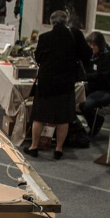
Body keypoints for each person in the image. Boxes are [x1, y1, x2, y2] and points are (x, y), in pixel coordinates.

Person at [24, 10, 91, 160]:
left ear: (51, 22)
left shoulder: (44, 38)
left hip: (46, 82)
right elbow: (86, 54)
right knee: (63, 118)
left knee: (39, 116)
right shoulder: (75, 35)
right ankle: (59, 149)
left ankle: (34, 146)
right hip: (66, 83)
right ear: (66, 21)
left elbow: (39, 58)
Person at [78, 31, 110, 135]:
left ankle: (96, 123)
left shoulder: (107, 57)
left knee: (85, 105)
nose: (91, 47)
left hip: (106, 89)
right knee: (73, 98)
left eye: (94, 45)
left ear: (100, 45)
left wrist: (84, 76)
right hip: (93, 86)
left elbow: (100, 77)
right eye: (89, 45)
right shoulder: (91, 56)